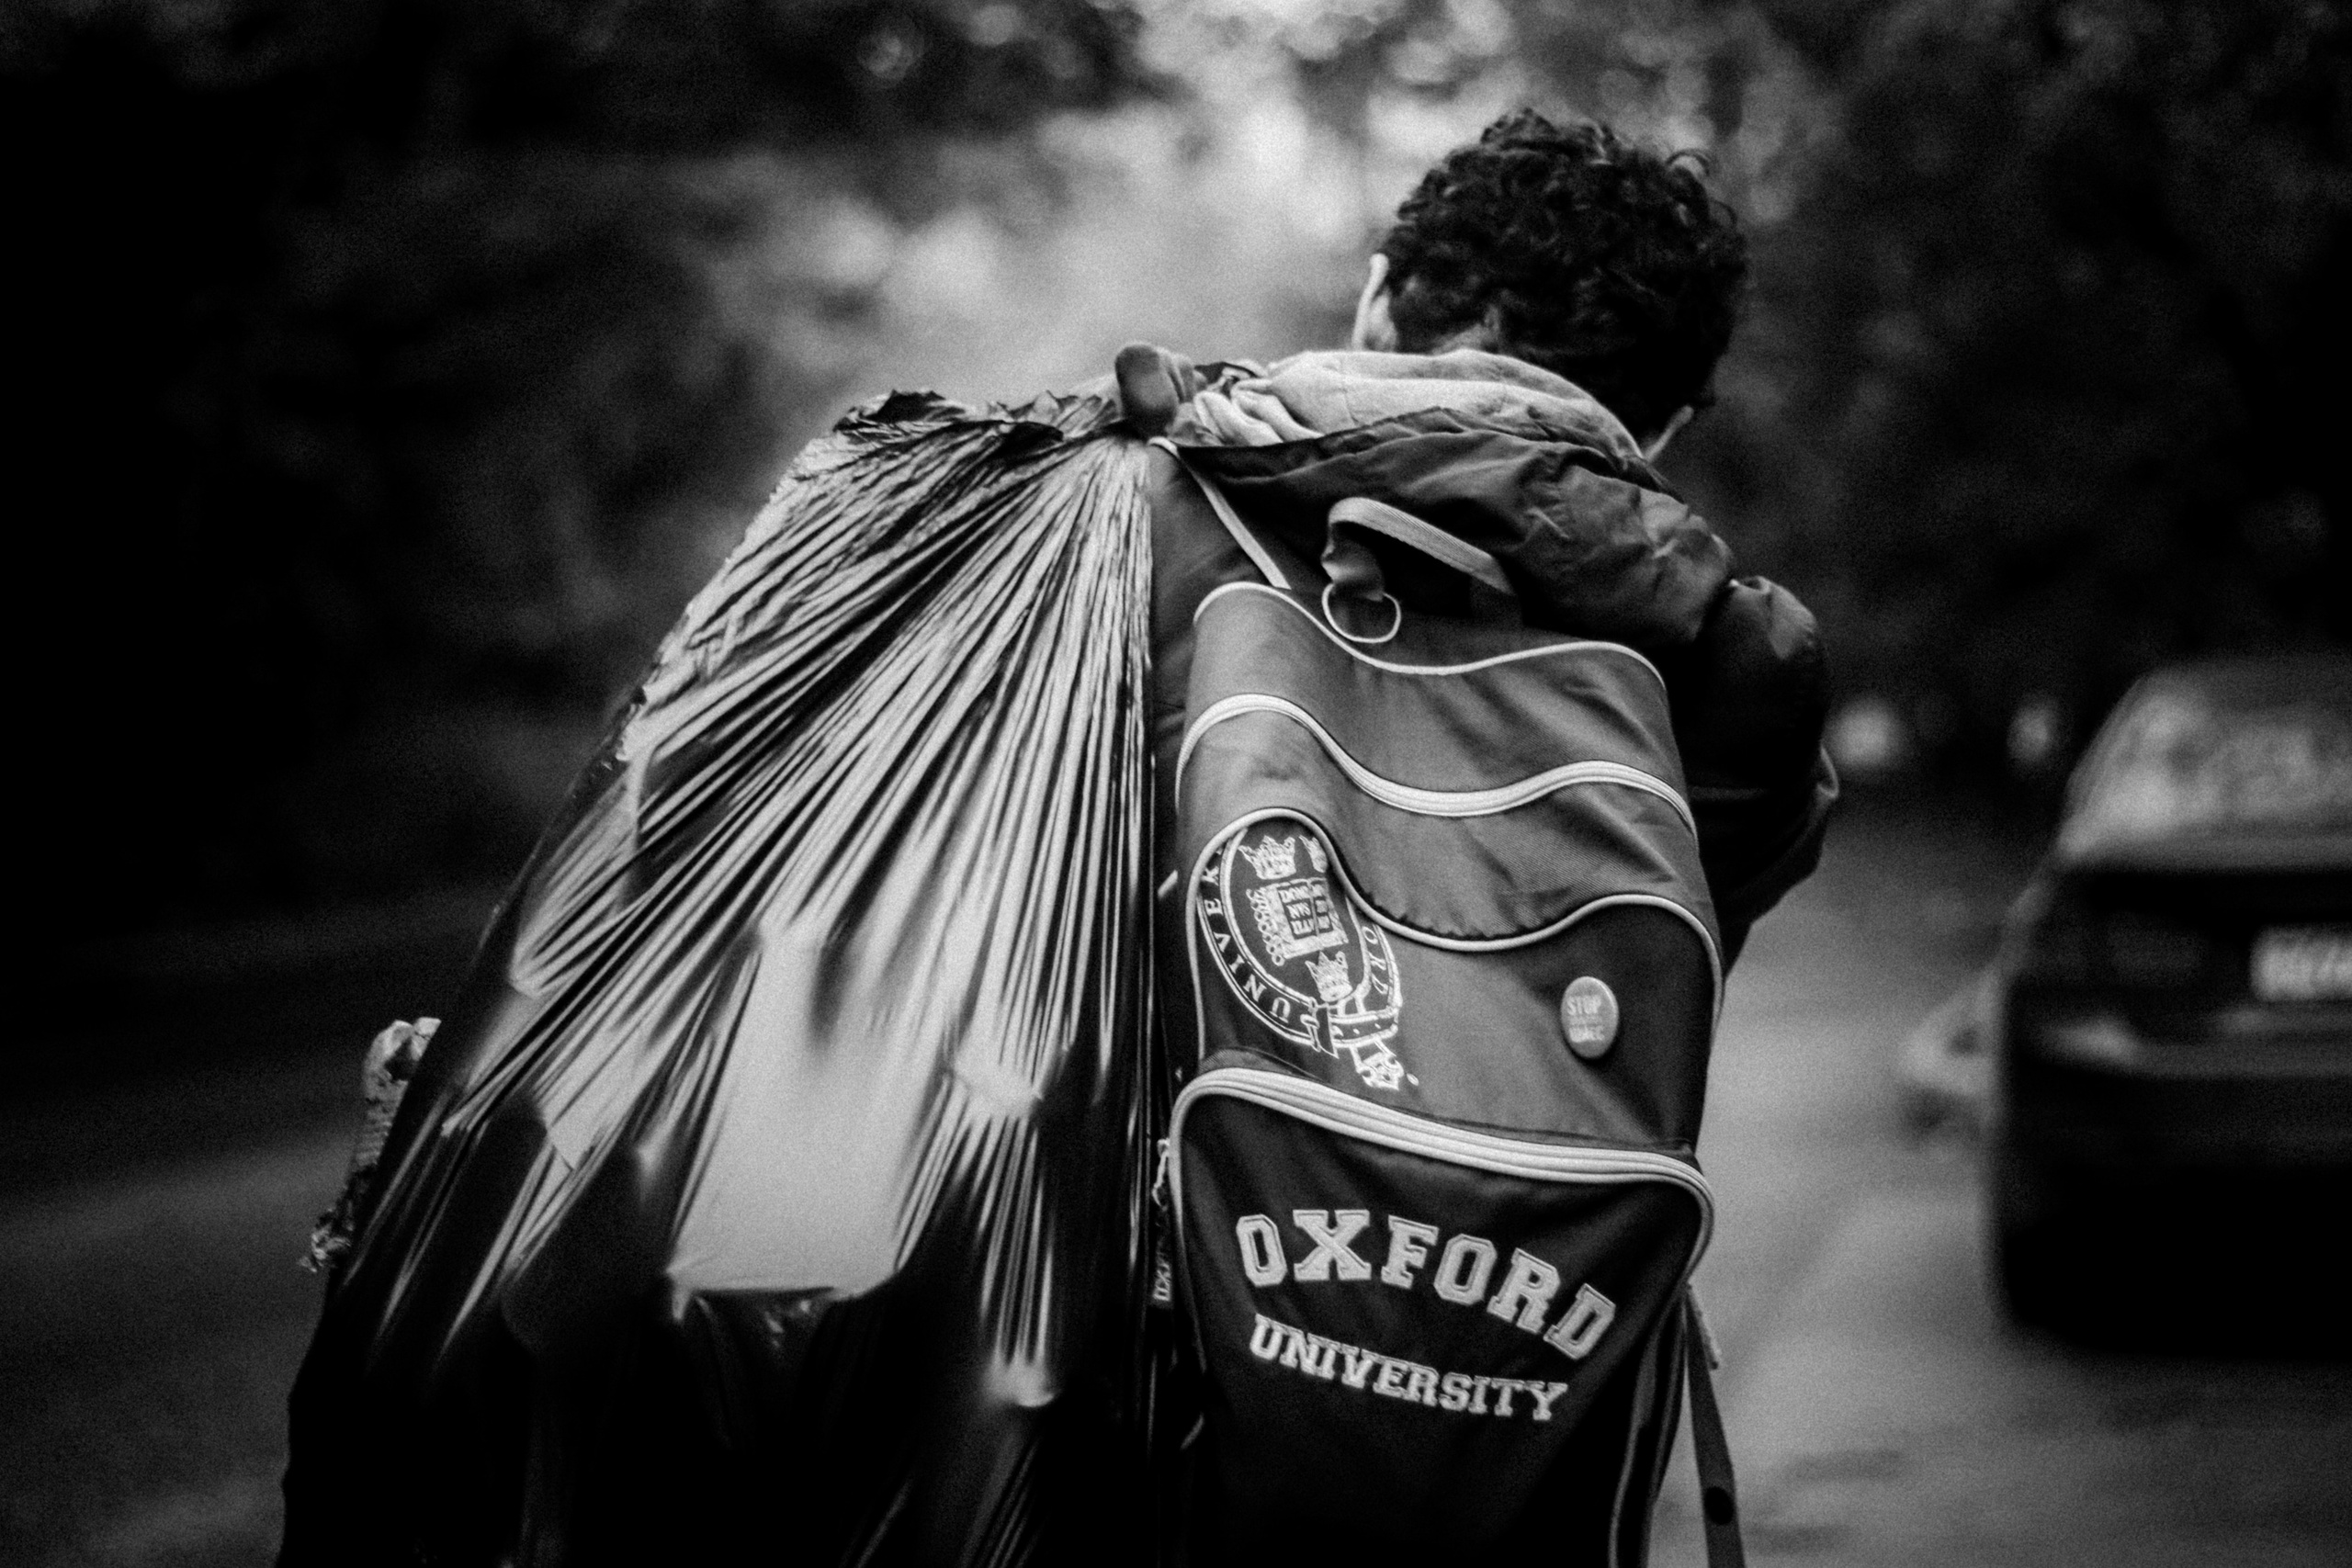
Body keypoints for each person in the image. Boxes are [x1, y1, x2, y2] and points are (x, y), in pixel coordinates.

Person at [1120, 107, 1835, 973]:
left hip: (1184, 1104)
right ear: (1663, 430)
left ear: (1376, 298)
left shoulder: (1139, 528)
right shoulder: (1746, 674)